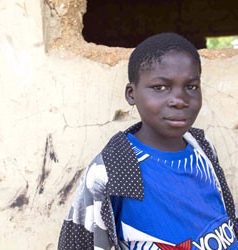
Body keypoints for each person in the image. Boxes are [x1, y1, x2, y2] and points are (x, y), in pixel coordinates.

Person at [58, 32, 238, 250]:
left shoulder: (202, 147)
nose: (179, 101)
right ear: (131, 94)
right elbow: (80, 242)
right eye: (160, 87)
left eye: (191, 87)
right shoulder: (113, 169)